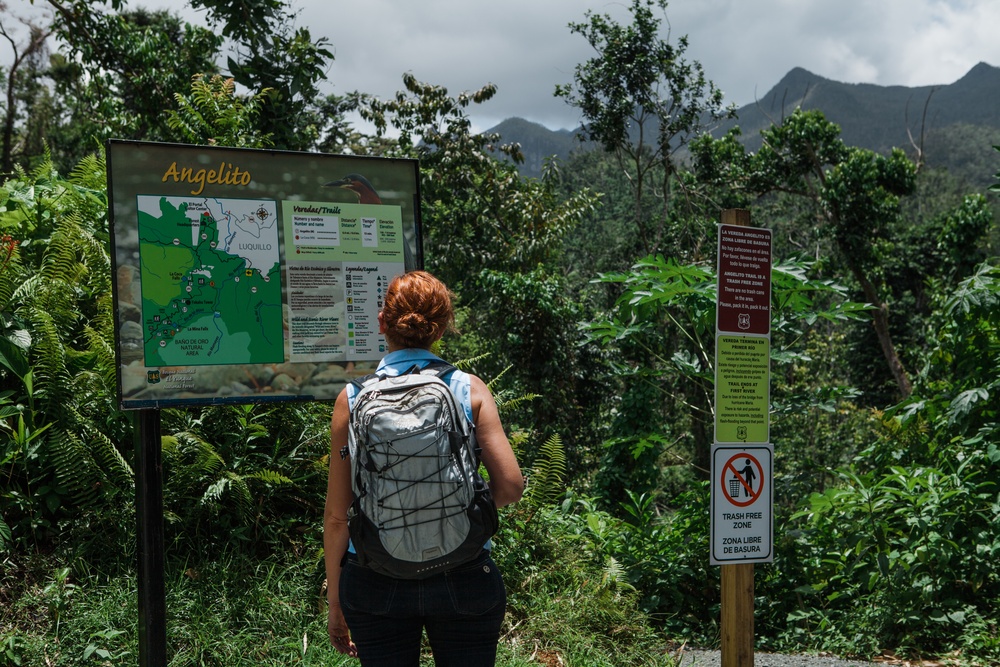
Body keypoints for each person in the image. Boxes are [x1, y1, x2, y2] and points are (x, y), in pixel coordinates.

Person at [324, 270, 524, 666]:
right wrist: (456, 509)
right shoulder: (468, 388)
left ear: (383, 323)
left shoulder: (352, 398)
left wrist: (335, 600)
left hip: (375, 578)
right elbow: (512, 487)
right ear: (443, 327)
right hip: (464, 571)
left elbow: (336, 516)